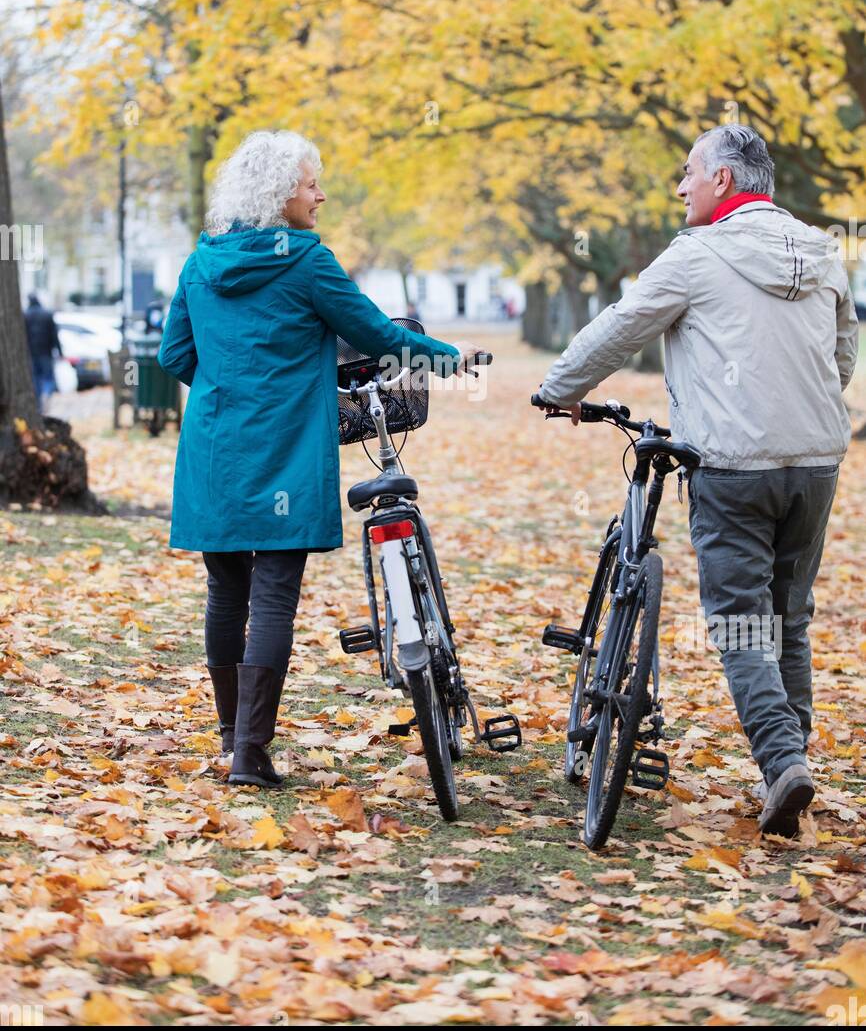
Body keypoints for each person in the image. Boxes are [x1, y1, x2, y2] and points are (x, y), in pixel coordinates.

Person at [536, 124, 859, 838]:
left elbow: (622, 327)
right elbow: (841, 358)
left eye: (689, 172)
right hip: (814, 462)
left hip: (734, 469)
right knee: (789, 618)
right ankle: (791, 758)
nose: (680, 186)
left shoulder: (697, 254)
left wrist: (557, 387)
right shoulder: (822, 253)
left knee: (743, 622)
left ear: (722, 182)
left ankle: (782, 764)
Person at [158, 130, 482, 789]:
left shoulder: (200, 263)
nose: (321, 194)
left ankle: (232, 739)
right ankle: (251, 752)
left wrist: (231, 384)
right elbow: (381, 338)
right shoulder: (307, 260)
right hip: (284, 448)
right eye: (312, 183)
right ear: (281, 194)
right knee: (274, 593)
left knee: (227, 590)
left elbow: (173, 356)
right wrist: (458, 361)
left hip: (216, 449)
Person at [24, 292, 62, 410]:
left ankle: (39, 402)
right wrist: (60, 351)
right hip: (46, 352)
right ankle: (47, 393)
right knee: (48, 377)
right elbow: (54, 334)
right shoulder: (47, 314)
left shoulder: (25, 315)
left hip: (32, 352)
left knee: (36, 378)